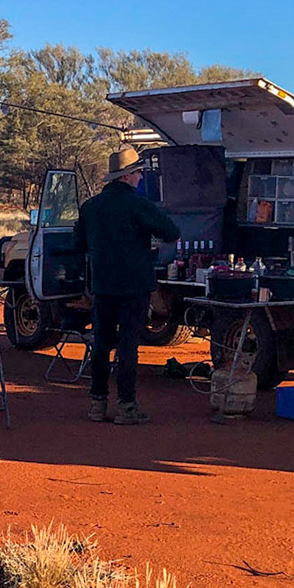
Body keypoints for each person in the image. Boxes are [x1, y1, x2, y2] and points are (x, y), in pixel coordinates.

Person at [73, 148, 179, 424]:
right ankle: (126, 406)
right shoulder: (137, 205)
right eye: (139, 173)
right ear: (129, 175)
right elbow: (170, 232)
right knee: (128, 345)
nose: (140, 177)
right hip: (134, 285)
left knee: (101, 343)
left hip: (103, 285)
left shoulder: (91, 206)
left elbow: (78, 245)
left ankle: (97, 404)